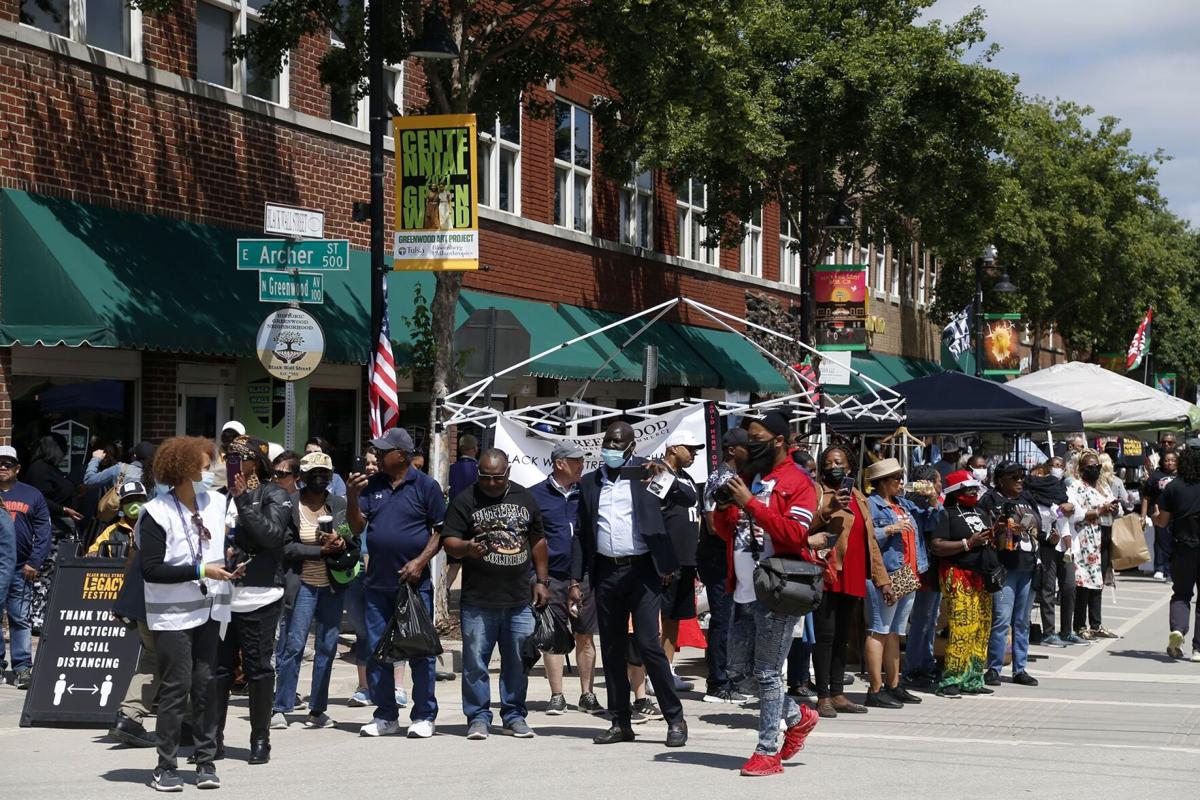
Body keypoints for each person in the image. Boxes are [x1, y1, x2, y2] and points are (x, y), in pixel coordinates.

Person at [711, 411, 820, 776]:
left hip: (778, 590)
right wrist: (725, 508)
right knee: (738, 673)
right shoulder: (750, 477)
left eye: (754, 437)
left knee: (769, 673)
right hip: (743, 590)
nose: (747, 443)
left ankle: (767, 751)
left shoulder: (798, 481)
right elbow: (727, 533)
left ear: (777, 440)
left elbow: (794, 535)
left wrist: (751, 504)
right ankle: (798, 716)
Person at [571, 420, 688, 749]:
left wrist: (665, 474)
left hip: (643, 572)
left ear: (631, 448)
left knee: (649, 644)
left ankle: (675, 718)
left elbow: (689, 498)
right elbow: (581, 534)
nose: (610, 448)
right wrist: (576, 580)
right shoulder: (591, 482)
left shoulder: (646, 475)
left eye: (618, 443)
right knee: (611, 648)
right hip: (606, 573)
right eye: (607, 442)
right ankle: (620, 721)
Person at [139, 436, 235, 792]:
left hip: (210, 607)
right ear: (183, 471)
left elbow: (224, 546)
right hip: (173, 614)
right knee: (177, 688)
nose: (211, 473)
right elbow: (151, 569)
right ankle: (165, 766)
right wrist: (200, 571)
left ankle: (205, 761)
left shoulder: (218, 503)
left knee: (206, 685)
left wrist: (232, 562)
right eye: (206, 467)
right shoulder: (155, 513)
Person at [442, 449, 550, 739]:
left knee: (517, 661)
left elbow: (538, 541)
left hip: (518, 599)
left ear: (508, 474)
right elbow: (448, 540)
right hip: (478, 600)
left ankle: (514, 715)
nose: (490, 483)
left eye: (496, 478)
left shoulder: (524, 498)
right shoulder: (466, 499)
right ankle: (478, 717)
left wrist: (541, 580)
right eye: (485, 477)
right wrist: (465, 548)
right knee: (476, 662)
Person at [347, 426, 446, 739]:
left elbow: (440, 531)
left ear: (401, 456)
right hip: (377, 584)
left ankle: (424, 715)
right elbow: (355, 525)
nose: (376, 454)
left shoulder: (426, 486)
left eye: (383, 450)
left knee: (419, 652)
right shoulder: (372, 485)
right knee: (379, 651)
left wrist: (420, 562)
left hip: (413, 586)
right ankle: (386, 715)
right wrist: (351, 495)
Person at [214, 436, 293, 765]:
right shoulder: (218, 498)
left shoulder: (273, 494)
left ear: (256, 463)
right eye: (229, 455)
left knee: (259, 670)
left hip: (259, 595)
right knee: (217, 670)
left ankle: (260, 739)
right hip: (221, 597)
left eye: (240, 457)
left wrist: (244, 498)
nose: (233, 461)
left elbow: (272, 535)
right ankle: (211, 738)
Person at [273, 451, 358, 730]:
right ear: (302, 478)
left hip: (332, 586)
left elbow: (349, 533)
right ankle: (281, 707)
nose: (319, 479)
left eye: (325, 474)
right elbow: (285, 547)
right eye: (313, 474)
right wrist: (319, 550)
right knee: (293, 646)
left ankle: (317, 709)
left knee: (327, 647)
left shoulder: (338, 503)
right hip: (303, 586)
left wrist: (340, 541)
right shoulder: (290, 504)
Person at [808, 445, 892, 718]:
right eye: (830, 462)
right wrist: (828, 510)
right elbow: (803, 527)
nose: (835, 467)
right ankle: (822, 696)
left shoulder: (858, 496)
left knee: (843, 636)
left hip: (853, 574)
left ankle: (837, 693)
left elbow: (870, 542)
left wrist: (882, 580)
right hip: (827, 572)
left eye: (840, 463)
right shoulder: (817, 493)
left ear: (850, 467)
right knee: (825, 635)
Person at [527, 443, 602, 715]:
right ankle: (556, 695)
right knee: (553, 636)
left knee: (585, 635)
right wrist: (536, 577)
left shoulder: (587, 492)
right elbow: (530, 539)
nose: (582, 465)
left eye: (583, 460)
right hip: (552, 577)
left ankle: (587, 694)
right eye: (576, 461)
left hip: (584, 576)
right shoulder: (536, 495)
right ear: (560, 463)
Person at [863, 457, 936, 709]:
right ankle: (875, 688)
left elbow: (932, 521)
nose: (900, 483)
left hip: (907, 573)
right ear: (882, 483)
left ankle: (894, 684)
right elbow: (864, 537)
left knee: (895, 632)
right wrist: (890, 530)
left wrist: (933, 498)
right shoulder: (870, 505)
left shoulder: (903, 503)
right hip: (885, 574)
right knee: (878, 629)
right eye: (895, 479)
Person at [931, 470, 996, 697]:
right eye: (967, 488)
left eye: (974, 487)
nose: (973, 491)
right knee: (962, 627)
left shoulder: (980, 511)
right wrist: (968, 543)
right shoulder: (946, 514)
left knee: (982, 627)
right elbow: (937, 546)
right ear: (955, 491)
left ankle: (973, 678)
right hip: (958, 574)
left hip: (983, 576)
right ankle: (950, 680)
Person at [699, 427, 750, 705]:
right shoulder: (720, 480)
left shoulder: (740, 479)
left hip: (735, 558)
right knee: (722, 619)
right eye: (746, 446)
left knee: (734, 619)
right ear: (732, 450)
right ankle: (717, 682)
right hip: (718, 558)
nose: (751, 451)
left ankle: (731, 676)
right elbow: (712, 523)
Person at [977, 462, 1040, 687]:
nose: (1020, 480)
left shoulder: (1028, 499)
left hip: (1028, 566)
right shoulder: (990, 499)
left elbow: (1038, 526)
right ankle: (994, 668)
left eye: (1022, 476)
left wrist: (1032, 529)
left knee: (1022, 621)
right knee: (1002, 620)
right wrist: (1002, 527)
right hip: (1004, 568)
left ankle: (1020, 669)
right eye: (1014, 477)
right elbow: (981, 527)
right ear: (1001, 479)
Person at [657, 428, 705, 692]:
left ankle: (667, 669)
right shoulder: (659, 475)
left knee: (675, 617)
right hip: (667, 562)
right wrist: (662, 559)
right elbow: (653, 518)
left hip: (687, 561)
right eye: (690, 449)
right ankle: (653, 673)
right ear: (674, 448)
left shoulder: (686, 478)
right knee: (659, 619)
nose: (694, 454)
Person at [0, 445, 52, 689]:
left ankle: (22, 668)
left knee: (20, 618)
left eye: (7, 463)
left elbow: (43, 533)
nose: (2, 467)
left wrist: (34, 562)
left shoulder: (32, 495)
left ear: (17, 468)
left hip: (22, 568)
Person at [1026, 461, 1085, 647]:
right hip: (1046, 545)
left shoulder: (1060, 491)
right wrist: (1059, 511)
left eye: (1043, 474)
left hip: (1064, 545)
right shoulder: (1030, 496)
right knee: (1048, 589)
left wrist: (1070, 509)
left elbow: (1077, 514)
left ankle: (1067, 630)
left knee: (1069, 587)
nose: (1041, 478)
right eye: (1036, 475)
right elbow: (1041, 519)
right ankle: (1049, 632)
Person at [1153, 440, 1200, 661]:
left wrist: (1155, 516)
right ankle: (1198, 648)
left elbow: (1162, 522)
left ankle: (1178, 630)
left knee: (1181, 593)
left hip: (1182, 546)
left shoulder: (1173, 487)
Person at [1067, 450, 1119, 641]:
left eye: (1097, 466)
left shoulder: (1102, 485)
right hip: (1085, 540)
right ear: (1081, 468)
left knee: (1098, 582)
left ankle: (1096, 624)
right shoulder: (1076, 487)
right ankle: (1080, 625)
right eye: (1090, 467)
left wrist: (1113, 507)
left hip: (1103, 537)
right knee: (1083, 584)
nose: (1094, 470)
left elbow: (1113, 505)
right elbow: (1076, 514)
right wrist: (1100, 510)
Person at [901, 465, 944, 691]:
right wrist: (932, 502)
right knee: (920, 619)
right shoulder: (911, 506)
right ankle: (912, 668)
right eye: (937, 482)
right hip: (920, 569)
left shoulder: (930, 505)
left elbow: (939, 521)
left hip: (932, 567)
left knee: (931, 618)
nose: (940, 486)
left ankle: (925, 662)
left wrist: (934, 501)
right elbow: (933, 525)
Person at [1143, 450, 1178, 583]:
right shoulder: (1155, 476)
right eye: (1167, 460)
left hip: (1177, 515)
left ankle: (1171, 572)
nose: (1170, 463)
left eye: (1173, 460)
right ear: (1162, 462)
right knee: (1161, 541)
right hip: (1159, 513)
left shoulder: (1182, 476)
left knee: (1174, 544)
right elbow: (1146, 497)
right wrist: (1143, 515)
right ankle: (1160, 568)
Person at [88, 481, 146, 558]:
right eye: (129, 500)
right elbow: (93, 551)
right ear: (121, 505)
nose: (134, 503)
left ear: (146, 501)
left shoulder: (155, 527)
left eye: (138, 498)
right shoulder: (111, 531)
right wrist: (94, 553)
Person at [84, 441, 155, 493]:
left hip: (122, 513)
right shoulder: (156, 477)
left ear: (134, 456)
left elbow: (89, 481)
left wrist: (96, 458)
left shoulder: (120, 469)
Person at [211, 421, 245, 493]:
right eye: (225, 435)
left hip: (238, 493)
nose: (228, 438)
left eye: (233, 435)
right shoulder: (211, 453)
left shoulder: (246, 456)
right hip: (213, 492)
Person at [448, 433, 480, 500]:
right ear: (475, 448)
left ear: (460, 449)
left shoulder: (451, 468)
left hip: (454, 507)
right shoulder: (480, 469)